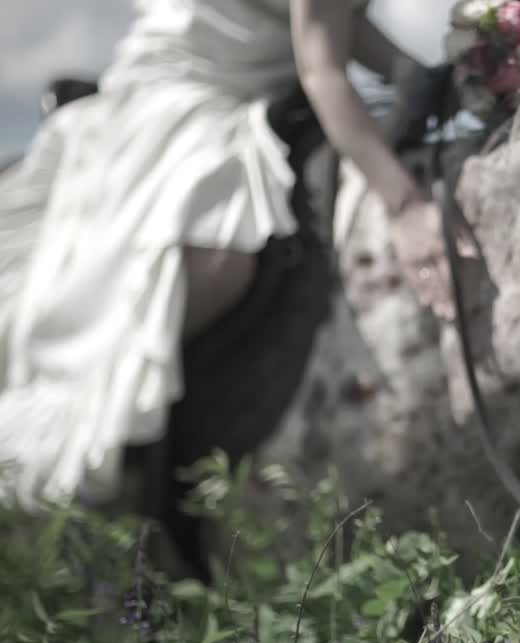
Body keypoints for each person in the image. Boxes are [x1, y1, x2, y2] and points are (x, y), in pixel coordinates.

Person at [0, 0, 467, 511]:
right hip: (192, 93)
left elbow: (340, 23)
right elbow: (323, 72)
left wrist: (441, 78)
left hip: (247, 82)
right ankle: (110, 446)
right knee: (217, 261)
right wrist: (404, 205)